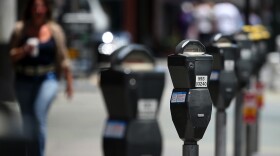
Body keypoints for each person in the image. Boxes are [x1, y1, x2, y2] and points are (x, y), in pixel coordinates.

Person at [9, 0, 73, 155]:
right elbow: (11, 55)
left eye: (42, 6)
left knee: (38, 116)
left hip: (47, 78)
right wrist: (24, 50)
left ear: (47, 9)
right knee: (27, 122)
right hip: (24, 78)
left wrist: (69, 82)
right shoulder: (20, 29)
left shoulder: (54, 30)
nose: (38, 10)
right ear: (30, 9)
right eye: (35, 6)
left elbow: (63, 57)